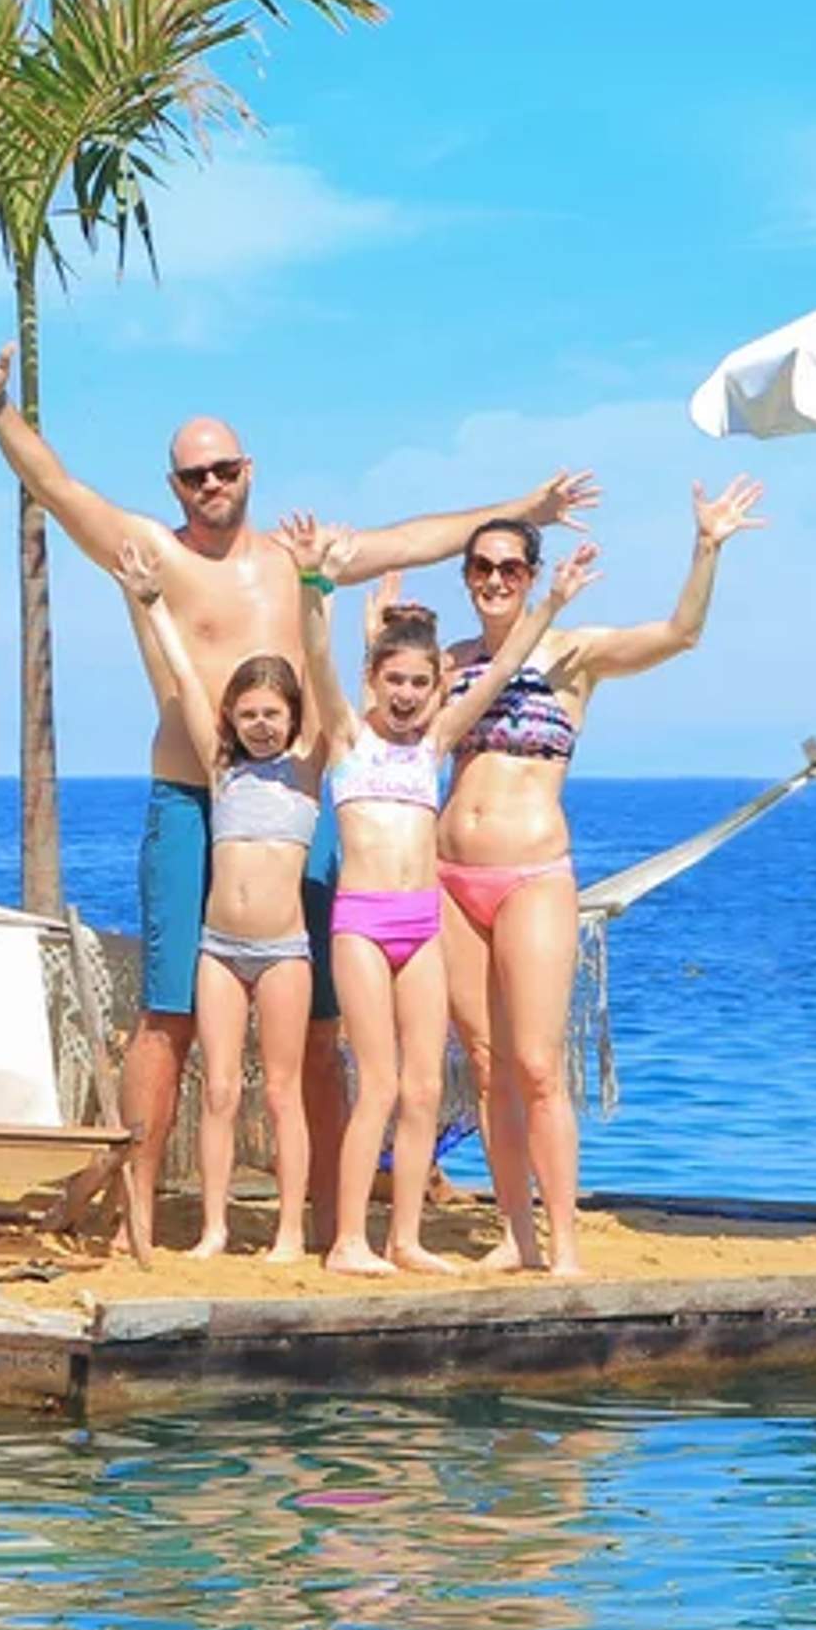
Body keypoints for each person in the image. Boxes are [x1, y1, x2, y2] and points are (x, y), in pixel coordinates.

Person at [0, 314, 596, 1259]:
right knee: (166, 1020)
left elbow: (421, 533)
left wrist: (522, 505)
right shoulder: (150, 551)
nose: (211, 486)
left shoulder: (293, 559)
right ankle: (139, 1222)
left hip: (300, 812)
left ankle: (327, 1222)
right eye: (194, 475)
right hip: (191, 801)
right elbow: (59, 487)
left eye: (224, 470)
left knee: (318, 1022)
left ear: (250, 471)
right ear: (175, 486)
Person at [439, 478, 767, 1277]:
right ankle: (514, 1233)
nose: (493, 580)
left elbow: (679, 634)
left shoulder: (573, 654)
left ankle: (566, 1242)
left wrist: (707, 548)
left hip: (532, 873)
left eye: (510, 568)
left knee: (539, 1065)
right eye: (480, 567)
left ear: (532, 572)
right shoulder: (446, 663)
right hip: (447, 874)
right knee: (485, 1066)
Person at [279, 516, 596, 1274]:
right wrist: (313, 583)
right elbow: (317, 658)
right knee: (380, 1083)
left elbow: (503, 666)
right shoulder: (350, 742)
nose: (409, 695)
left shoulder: (435, 744)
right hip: (361, 923)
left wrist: (550, 604)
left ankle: (406, 1237)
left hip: (423, 925)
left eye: (421, 683)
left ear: (435, 689)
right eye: (395, 681)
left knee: (426, 1086)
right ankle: (351, 1239)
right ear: (374, 682)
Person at [113, 540, 320, 1259]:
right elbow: (184, 676)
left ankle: (291, 1231)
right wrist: (150, 603)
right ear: (234, 719)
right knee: (223, 1090)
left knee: (283, 1093)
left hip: (286, 952)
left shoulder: (308, 772)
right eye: (251, 713)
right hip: (219, 951)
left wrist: (315, 587)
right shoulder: (222, 768)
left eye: (275, 713)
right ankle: (214, 1228)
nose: (262, 724)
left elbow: (319, 669)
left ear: (294, 720)